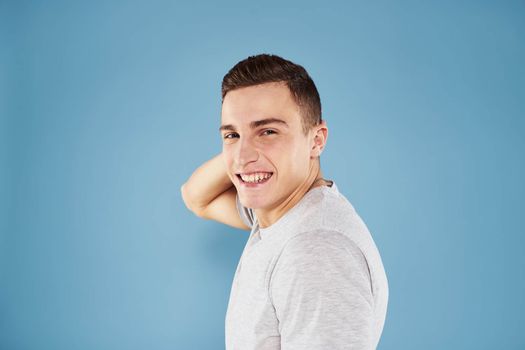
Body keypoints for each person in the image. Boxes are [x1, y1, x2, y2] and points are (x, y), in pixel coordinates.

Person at [181, 53, 388, 349]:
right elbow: (195, 197)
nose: (242, 155)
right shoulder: (279, 213)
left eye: (268, 131)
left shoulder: (315, 249)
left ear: (316, 140)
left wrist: (247, 151)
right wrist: (247, 151)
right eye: (231, 134)